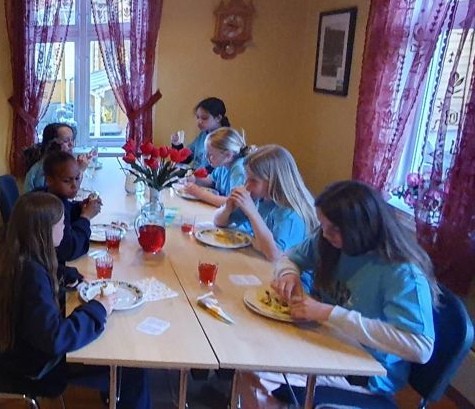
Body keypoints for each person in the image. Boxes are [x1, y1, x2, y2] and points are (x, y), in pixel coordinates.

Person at [257, 181, 438, 402]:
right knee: (256, 356)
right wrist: (288, 274)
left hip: (365, 372)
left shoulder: (402, 273)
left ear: (361, 228)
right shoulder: (329, 240)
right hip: (328, 342)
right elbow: (289, 258)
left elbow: (420, 348)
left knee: (260, 380)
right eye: (323, 225)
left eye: (333, 229)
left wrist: (329, 313)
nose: (324, 234)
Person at [0, 192, 150, 408]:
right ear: (45, 231)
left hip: (17, 345)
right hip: (38, 365)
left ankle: (110, 396)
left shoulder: (17, 256)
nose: (66, 227)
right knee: (132, 365)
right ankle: (115, 394)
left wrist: (71, 276)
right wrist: (98, 308)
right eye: (62, 224)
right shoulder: (32, 277)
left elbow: (45, 274)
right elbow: (56, 337)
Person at [212, 145, 318, 261]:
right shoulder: (259, 198)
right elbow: (219, 222)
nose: (246, 185)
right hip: (262, 261)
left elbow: (275, 256)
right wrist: (228, 207)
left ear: (274, 181)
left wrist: (252, 212)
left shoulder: (290, 214)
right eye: (246, 178)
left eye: (253, 180)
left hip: (289, 270)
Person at [40, 151, 101, 286]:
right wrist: (85, 217)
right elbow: (69, 249)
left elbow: (68, 211)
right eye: (67, 181)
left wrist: (80, 207)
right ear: (49, 180)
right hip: (50, 274)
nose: (75, 186)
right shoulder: (51, 209)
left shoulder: (51, 196)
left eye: (77, 178)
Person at [184, 127, 252, 207]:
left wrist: (199, 193)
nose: (206, 157)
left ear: (228, 155)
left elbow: (233, 203)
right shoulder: (223, 164)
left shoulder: (239, 169)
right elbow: (211, 181)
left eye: (210, 154)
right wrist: (195, 179)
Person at [23, 123, 93, 193]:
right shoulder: (44, 170)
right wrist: (80, 170)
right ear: (52, 145)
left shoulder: (58, 164)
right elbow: (69, 192)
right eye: (66, 141)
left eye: (72, 140)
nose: (71, 145)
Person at [171, 97, 229, 171]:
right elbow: (186, 159)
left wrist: (195, 174)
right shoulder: (203, 135)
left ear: (218, 118)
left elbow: (218, 170)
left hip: (208, 177)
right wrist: (177, 145)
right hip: (195, 174)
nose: (199, 121)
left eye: (204, 118)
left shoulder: (226, 139)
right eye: (198, 117)